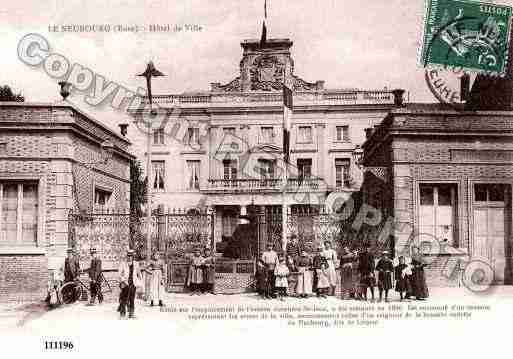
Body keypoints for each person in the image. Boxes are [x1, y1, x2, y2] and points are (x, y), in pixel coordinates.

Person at [118, 249, 143, 319]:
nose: (129, 258)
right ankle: (122, 314)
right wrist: (123, 281)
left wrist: (140, 282)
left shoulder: (136, 264)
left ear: (133, 257)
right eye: (128, 256)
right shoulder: (123, 263)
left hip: (133, 284)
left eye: (131, 256)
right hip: (125, 284)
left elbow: (139, 273)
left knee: (132, 299)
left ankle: (131, 313)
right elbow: (119, 274)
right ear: (126, 256)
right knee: (124, 299)